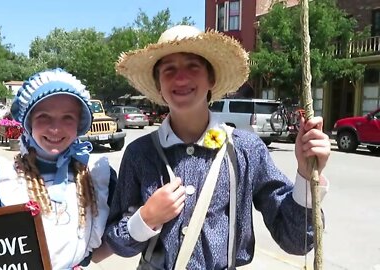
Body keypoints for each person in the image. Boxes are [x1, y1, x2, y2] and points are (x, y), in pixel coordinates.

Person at [104, 25, 330, 269]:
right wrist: (146, 218)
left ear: (211, 78)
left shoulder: (246, 150)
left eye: (193, 66)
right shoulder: (140, 153)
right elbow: (117, 241)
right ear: (158, 85)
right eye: (169, 70)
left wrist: (307, 175)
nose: (181, 78)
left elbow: (296, 240)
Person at [0, 68, 116, 270]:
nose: (55, 128)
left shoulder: (94, 180)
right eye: (44, 116)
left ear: (80, 124)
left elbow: (105, 248)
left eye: (67, 117)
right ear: (28, 123)